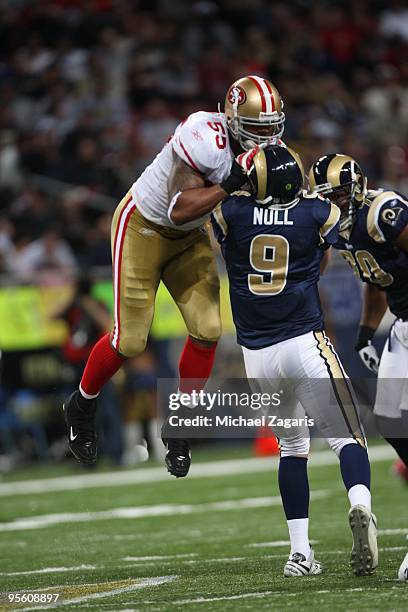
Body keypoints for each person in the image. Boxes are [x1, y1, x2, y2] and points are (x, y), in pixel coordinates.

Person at [63, 75, 286, 477]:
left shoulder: (270, 150)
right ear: (234, 119)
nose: (267, 137)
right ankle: (81, 402)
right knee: (130, 340)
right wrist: (231, 184)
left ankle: (180, 424)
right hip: (144, 226)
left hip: (189, 236)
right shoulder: (204, 135)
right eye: (258, 128)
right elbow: (180, 208)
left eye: (272, 127)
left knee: (208, 329)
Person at [211, 145, 377, 577]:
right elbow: (322, 257)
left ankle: (300, 552)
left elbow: (210, 211)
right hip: (304, 340)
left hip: (257, 355)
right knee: (348, 438)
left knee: (291, 447)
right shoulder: (317, 213)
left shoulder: (232, 212)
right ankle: (361, 505)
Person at [308, 153, 408, 580]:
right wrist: (367, 332)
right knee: (388, 419)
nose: (339, 205)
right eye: (331, 198)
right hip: (402, 326)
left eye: (343, 196)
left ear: (359, 188)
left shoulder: (384, 212)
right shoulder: (343, 236)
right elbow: (375, 280)